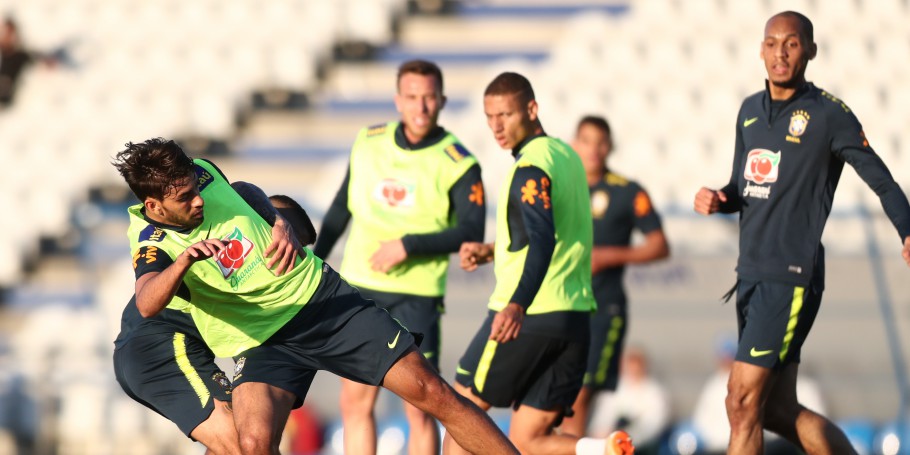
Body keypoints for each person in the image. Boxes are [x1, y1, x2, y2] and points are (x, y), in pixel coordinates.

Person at [111, 138, 517, 455]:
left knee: (433, 393)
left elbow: (242, 190)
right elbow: (147, 301)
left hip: (321, 304)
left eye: (193, 188)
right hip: (261, 339)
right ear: (154, 206)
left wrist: (278, 221)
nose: (197, 198)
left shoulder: (200, 172)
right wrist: (182, 262)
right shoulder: (151, 241)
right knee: (251, 443)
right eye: (183, 199)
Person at [693, 11, 910, 455]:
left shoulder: (828, 114)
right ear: (760, 50)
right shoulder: (749, 111)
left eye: (791, 44)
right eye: (772, 43)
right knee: (773, 409)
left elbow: (881, 178)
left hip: (790, 273)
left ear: (810, 50)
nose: (780, 53)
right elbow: (744, 187)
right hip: (750, 274)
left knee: (740, 401)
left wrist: (907, 230)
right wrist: (719, 197)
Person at [443, 72, 633, 455]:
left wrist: (517, 304)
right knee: (529, 438)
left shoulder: (531, 166)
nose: (496, 126)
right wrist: (493, 250)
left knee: (459, 416)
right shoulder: (567, 156)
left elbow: (543, 240)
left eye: (506, 114)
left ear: (531, 109)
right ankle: (603, 450)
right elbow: (550, 233)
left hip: (527, 316)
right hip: (574, 318)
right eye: (489, 116)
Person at [312, 59, 485, 455]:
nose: (420, 107)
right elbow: (341, 207)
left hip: (416, 295)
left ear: (441, 100)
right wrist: (317, 258)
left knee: (420, 407)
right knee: (355, 402)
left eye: (428, 98)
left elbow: (471, 232)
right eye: (411, 97)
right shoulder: (369, 141)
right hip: (358, 291)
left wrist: (408, 245)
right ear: (397, 100)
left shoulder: (458, 162)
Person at [113, 189, 317, 454]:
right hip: (161, 347)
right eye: (286, 241)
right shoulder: (227, 245)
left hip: (176, 348)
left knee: (249, 437)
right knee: (249, 445)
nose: (288, 257)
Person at [559, 115, 669, 438]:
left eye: (600, 142)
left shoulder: (627, 192)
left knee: (578, 398)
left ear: (610, 147)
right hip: (558, 307)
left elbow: (659, 245)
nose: (593, 149)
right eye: (586, 140)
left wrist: (609, 256)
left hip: (602, 308)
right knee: (553, 403)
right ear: (573, 144)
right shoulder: (558, 188)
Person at [587, 347, 670, 453]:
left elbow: (653, 426)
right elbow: (603, 417)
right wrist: (603, 435)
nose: (633, 370)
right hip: (613, 444)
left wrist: (625, 438)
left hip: (641, 447)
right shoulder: (615, 388)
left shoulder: (655, 392)